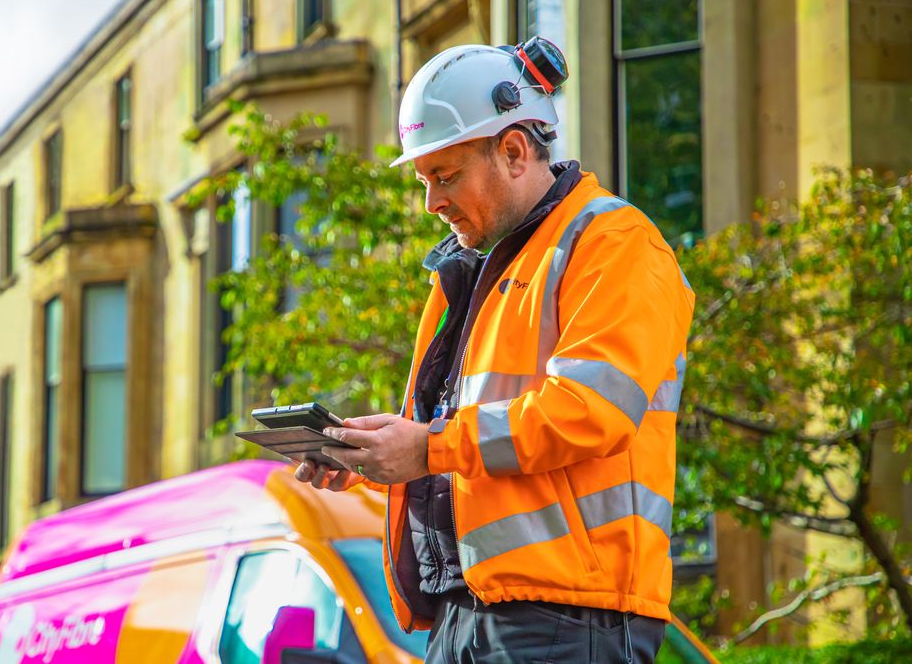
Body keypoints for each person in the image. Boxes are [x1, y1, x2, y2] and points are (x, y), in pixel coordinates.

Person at [294, 40, 696, 663]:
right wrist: (377, 459)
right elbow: (475, 454)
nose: (432, 204)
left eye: (445, 176)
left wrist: (425, 446)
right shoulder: (475, 273)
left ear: (512, 151)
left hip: (568, 616)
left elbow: (591, 410)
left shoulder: (615, 242)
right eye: (425, 181)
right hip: (471, 614)